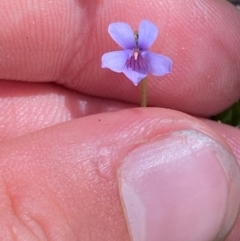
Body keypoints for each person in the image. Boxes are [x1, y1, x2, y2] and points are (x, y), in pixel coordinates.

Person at [0, 0, 239, 240]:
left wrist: (136, 59)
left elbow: (154, 64)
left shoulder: (143, 57)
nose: (135, 57)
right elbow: (117, 60)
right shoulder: (128, 55)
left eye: (138, 54)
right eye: (133, 54)